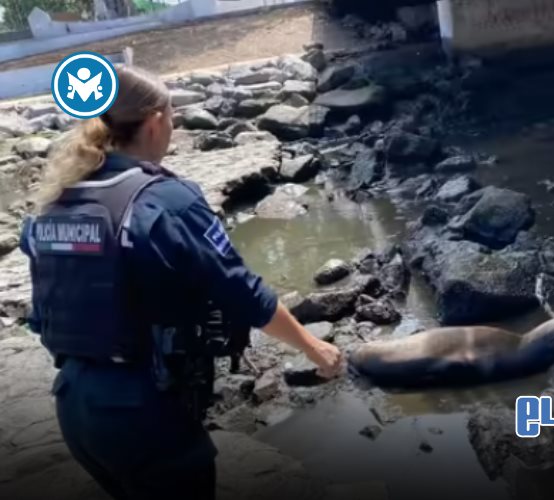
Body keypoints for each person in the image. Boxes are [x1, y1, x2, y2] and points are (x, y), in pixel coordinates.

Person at [18, 65, 344, 500]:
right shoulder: (163, 198)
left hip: (76, 406)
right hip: (145, 416)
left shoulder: (58, 202)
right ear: (155, 122)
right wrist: (313, 347)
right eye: (172, 117)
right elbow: (242, 291)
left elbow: (44, 316)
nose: (173, 127)